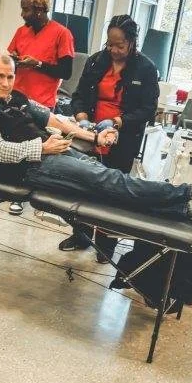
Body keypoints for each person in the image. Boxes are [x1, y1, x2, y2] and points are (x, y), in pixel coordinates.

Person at [0, 54, 192, 232]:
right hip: (29, 167)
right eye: (0, 76)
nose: (6, 83)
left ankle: (185, 209)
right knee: (109, 180)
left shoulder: (16, 98)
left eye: (10, 77)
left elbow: (54, 119)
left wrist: (94, 137)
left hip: (51, 151)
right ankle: (189, 192)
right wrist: (42, 148)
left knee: (107, 179)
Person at [61, 14, 159, 260]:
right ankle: (81, 236)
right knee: (84, 185)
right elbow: (79, 95)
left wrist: (117, 122)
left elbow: (148, 109)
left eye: (120, 45)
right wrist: (83, 119)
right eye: (110, 44)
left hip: (123, 137)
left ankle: (106, 246)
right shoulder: (96, 61)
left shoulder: (146, 69)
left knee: (112, 192)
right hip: (90, 134)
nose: (114, 50)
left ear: (132, 42)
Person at [6, 0, 75, 215]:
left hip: (42, 102)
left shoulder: (61, 34)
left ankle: (28, 194)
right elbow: (10, 60)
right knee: (18, 145)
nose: (22, 14)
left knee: (38, 148)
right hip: (17, 97)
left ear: (39, 10)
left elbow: (66, 71)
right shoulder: (21, 32)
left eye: (26, 10)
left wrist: (37, 64)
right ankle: (16, 191)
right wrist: (14, 61)